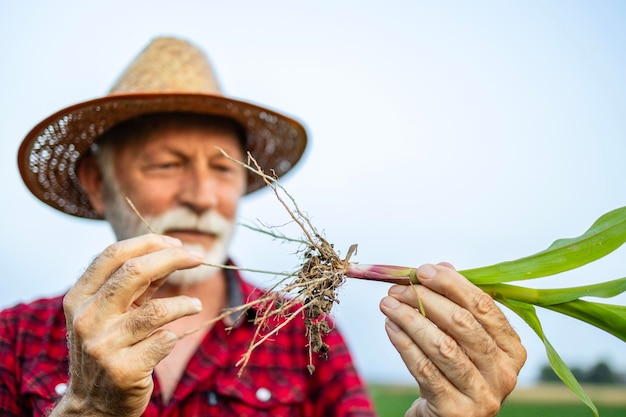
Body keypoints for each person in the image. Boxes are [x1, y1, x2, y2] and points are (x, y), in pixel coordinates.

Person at [1, 36, 526, 417]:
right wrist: (87, 409)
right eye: (166, 165)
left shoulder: (302, 336)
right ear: (98, 181)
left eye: (224, 168)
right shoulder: (15, 338)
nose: (204, 196)